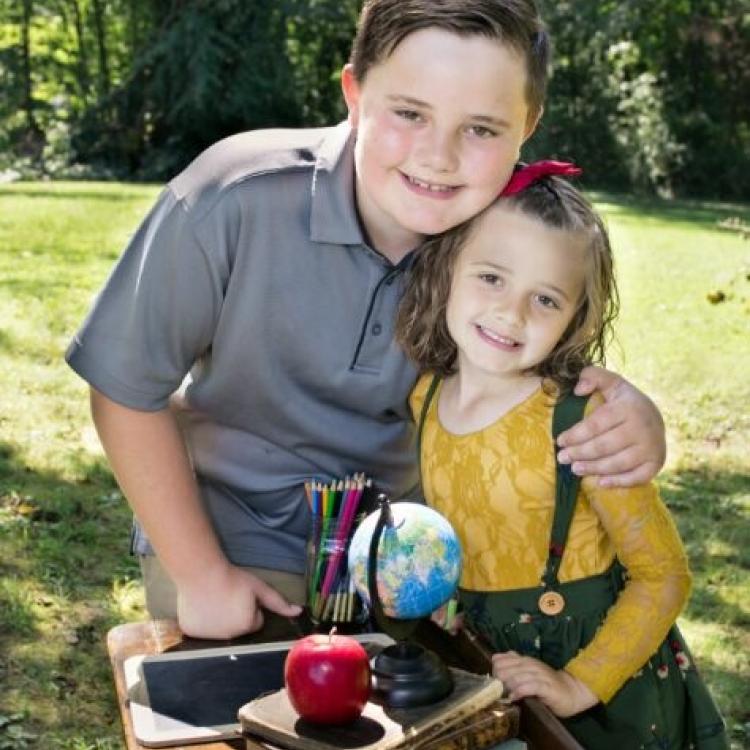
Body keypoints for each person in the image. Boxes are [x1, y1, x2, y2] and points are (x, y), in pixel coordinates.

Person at [66, 0, 667, 642]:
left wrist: (632, 419)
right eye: (409, 113)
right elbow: (124, 389)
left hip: (413, 555)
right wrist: (202, 576)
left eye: (482, 129)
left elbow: (545, 382)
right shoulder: (232, 195)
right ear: (354, 92)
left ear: (529, 125)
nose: (439, 158)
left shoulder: (517, 235)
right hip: (227, 532)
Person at [397, 162, 728, 749]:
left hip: (604, 695)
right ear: (447, 266)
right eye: (492, 278)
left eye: (545, 299)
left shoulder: (580, 424)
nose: (511, 313)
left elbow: (664, 574)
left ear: (576, 318)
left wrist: (579, 683)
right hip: (492, 672)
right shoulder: (425, 397)